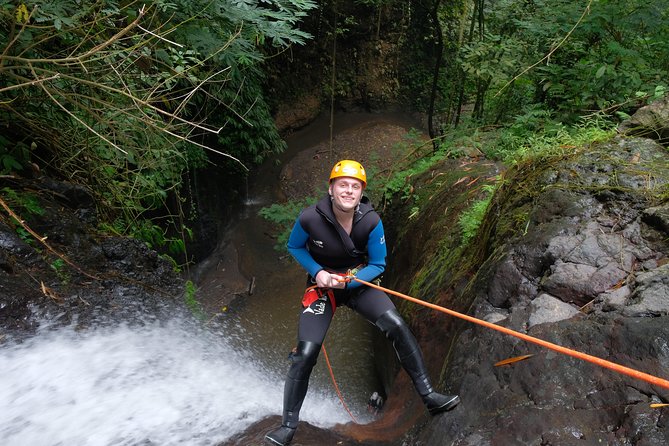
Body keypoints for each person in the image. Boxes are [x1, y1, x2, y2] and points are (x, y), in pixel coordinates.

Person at [265, 160, 460, 446]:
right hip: (322, 288)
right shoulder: (310, 218)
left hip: (358, 284)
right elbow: (294, 246)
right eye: (343, 185)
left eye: (355, 187)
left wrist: (349, 281)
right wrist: (319, 273)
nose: (348, 191)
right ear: (331, 189)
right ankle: (288, 426)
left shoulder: (370, 221)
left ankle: (429, 396)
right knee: (305, 353)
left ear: (361, 192)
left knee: (397, 326)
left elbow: (378, 263)